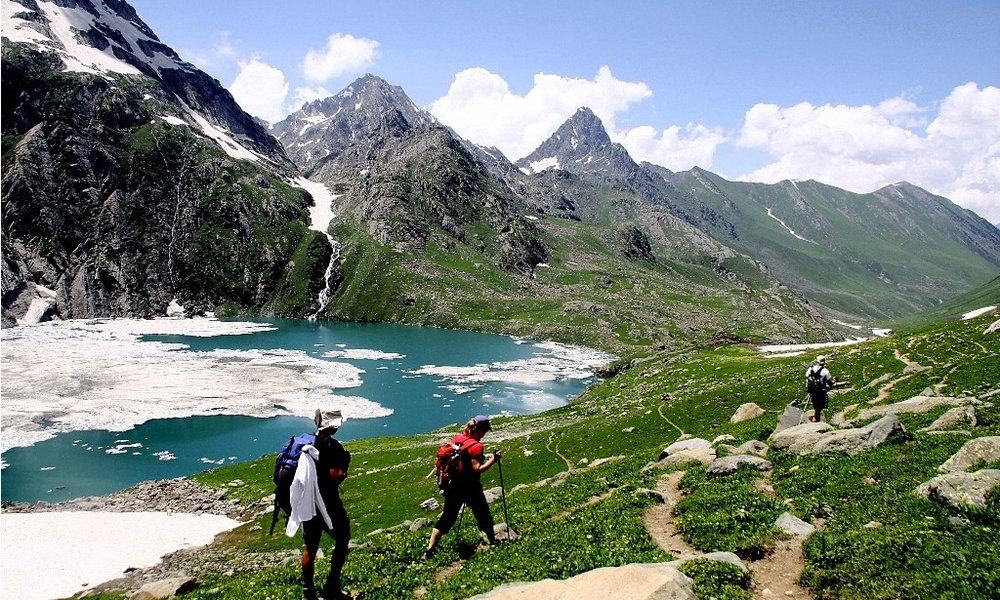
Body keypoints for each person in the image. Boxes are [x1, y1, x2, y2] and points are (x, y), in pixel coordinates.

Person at [286, 410, 352, 600]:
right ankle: (332, 586)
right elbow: (335, 476)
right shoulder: (332, 446)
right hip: (327, 503)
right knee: (343, 538)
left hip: (307, 504)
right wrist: (343, 469)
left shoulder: (305, 442)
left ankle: (308, 592)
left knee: (310, 546)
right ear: (332, 426)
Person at [424, 415, 501, 558]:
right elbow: (477, 469)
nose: (484, 434)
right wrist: (493, 459)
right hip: (470, 487)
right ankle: (492, 542)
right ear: (480, 430)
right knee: (483, 514)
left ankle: (429, 550)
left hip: (453, 486)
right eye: (484, 431)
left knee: (447, 518)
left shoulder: (457, 439)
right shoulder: (477, 446)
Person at [805, 355, 836, 423]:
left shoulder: (810, 369)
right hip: (821, 391)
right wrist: (834, 381)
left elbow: (807, 376)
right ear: (824, 362)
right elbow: (829, 382)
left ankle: (815, 419)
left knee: (816, 406)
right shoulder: (825, 371)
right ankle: (816, 420)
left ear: (816, 361)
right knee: (820, 407)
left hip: (812, 391)